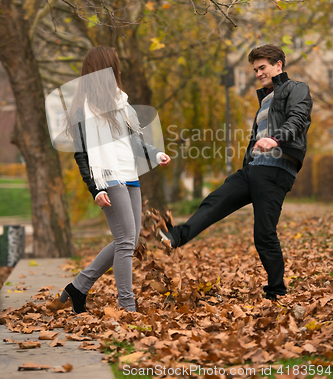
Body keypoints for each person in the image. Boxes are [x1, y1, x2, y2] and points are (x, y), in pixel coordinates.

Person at [159, 44, 312, 301]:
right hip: (253, 169)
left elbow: (298, 120)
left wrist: (275, 139)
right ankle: (177, 236)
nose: (258, 73)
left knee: (264, 233)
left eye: (263, 67)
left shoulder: (296, 89)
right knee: (214, 202)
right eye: (255, 69)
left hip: (276, 172)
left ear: (278, 65)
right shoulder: (265, 98)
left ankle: (277, 290)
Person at [59, 46, 171, 313]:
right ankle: (127, 306)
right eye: (114, 66)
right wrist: (95, 189)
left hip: (130, 175)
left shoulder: (121, 103)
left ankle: (78, 287)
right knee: (124, 242)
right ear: (104, 71)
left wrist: (155, 154)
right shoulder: (83, 110)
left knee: (129, 241)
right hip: (108, 179)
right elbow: (82, 155)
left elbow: (133, 140)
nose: (118, 71)